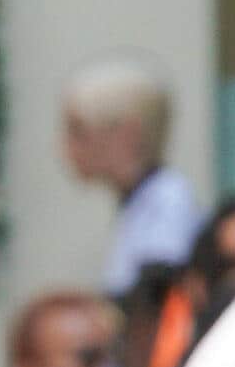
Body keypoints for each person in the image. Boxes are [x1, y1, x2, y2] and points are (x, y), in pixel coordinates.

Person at [62, 56, 204, 297]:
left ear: (128, 134)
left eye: (79, 130)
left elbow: (153, 300)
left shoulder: (167, 205)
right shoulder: (140, 201)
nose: (66, 147)